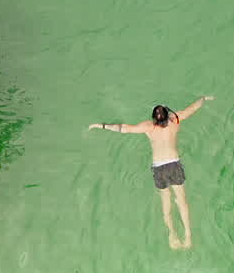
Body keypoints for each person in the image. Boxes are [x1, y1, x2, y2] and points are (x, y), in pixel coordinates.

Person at [89, 96, 214, 249]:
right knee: (182, 201)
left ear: (154, 118)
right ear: (167, 115)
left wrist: (101, 125)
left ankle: (172, 235)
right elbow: (193, 108)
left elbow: (124, 128)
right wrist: (203, 98)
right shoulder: (175, 120)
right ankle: (188, 236)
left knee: (166, 204)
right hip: (174, 164)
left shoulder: (149, 126)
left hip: (159, 168)